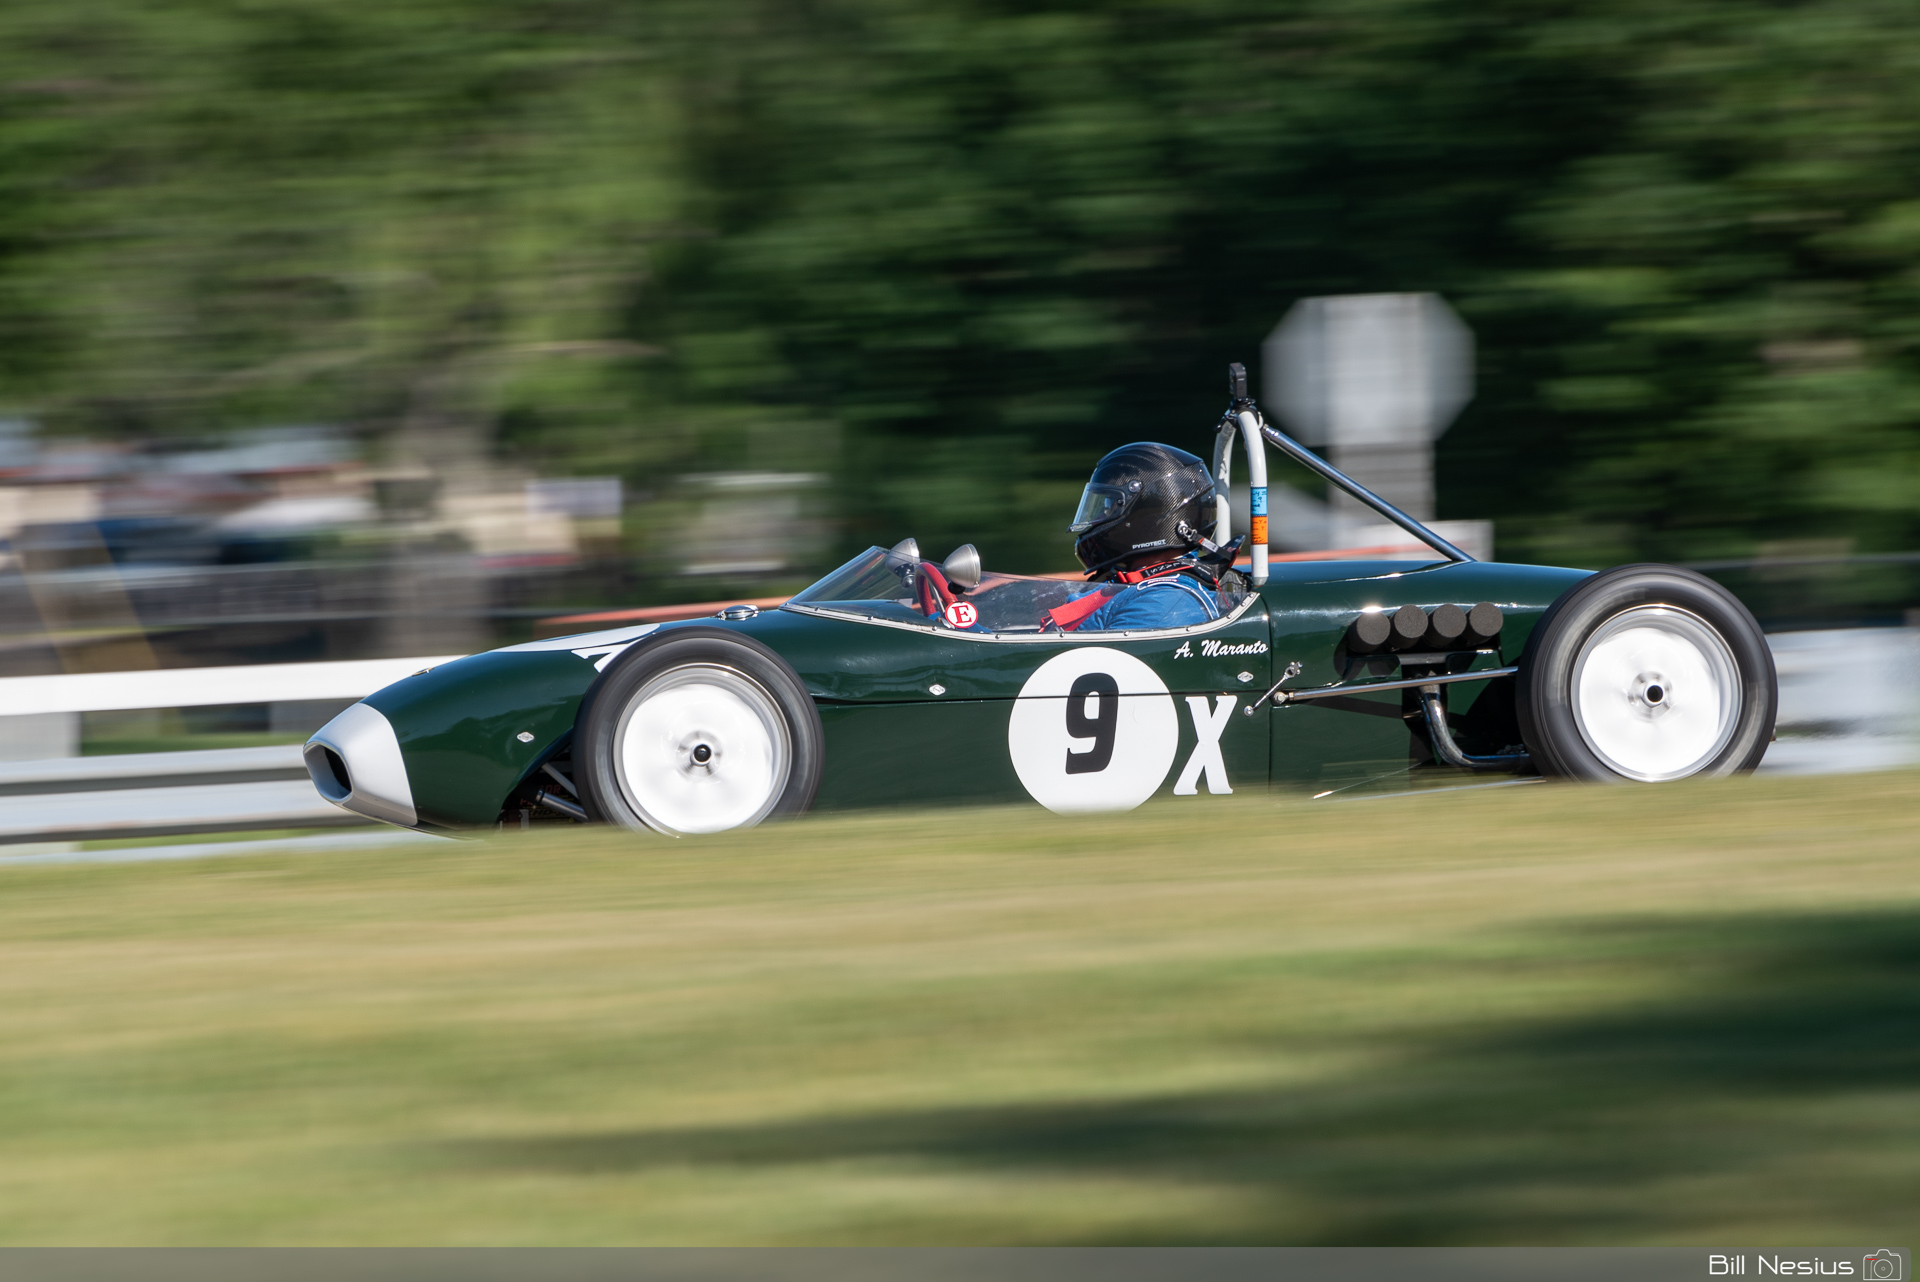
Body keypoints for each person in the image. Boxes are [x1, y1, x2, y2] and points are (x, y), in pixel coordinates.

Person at [1049, 442, 1241, 632]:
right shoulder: (1129, 581)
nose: (1099, 519)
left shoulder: (1167, 602)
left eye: (1109, 508)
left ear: (1145, 517)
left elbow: (1102, 660)